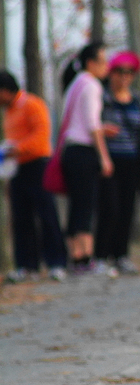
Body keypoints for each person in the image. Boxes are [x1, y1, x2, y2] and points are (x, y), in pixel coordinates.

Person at [0, 71, 67, 282]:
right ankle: (27, 265)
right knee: (21, 217)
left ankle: (57, 262)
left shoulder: (32, 104)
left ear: (5, 91)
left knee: (46, 213)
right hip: (17, 168)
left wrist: (16, 148)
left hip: (38, 165)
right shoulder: (9, 112)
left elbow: (41, 137)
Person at [60, 43, 114, 275]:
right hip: (84, 151)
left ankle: (76, 256)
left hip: (70, 150)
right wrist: (104, 157)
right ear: (91, 63)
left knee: (76, 204)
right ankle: (87, 258)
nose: (107, 67)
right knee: (86, 204)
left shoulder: (75, 84)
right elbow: (92, 125)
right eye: (103, 61)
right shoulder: (91, 85)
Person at [94, 51, 140, 274]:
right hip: (109, 161)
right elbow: (92, 125)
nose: (124, 76)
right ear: (111, 73)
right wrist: (102, 130)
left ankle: (121, 255)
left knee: (127, 209)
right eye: (120, 72)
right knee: (110, 208)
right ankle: (101, 255)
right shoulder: (103, 98)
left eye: (129, 72)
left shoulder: (136, 101)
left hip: (132, 162)